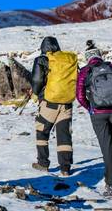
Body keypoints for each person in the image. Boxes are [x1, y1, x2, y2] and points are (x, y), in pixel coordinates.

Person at [76, 41, 112, 199]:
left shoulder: (85, 71)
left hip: (98, 114)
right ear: (99, 55)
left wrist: (91, 108)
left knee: (107, 148)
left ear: (87, 58)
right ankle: (111, 181)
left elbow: (80, 96)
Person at [30, 36, 78, 176]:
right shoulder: (68, 59)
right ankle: (65, 168)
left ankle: (43, 163)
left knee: (42, 131)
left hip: (49, 103)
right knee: (64, 135)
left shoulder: (42, 60)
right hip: (67, 103)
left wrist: (35, 93)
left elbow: (37, 80)